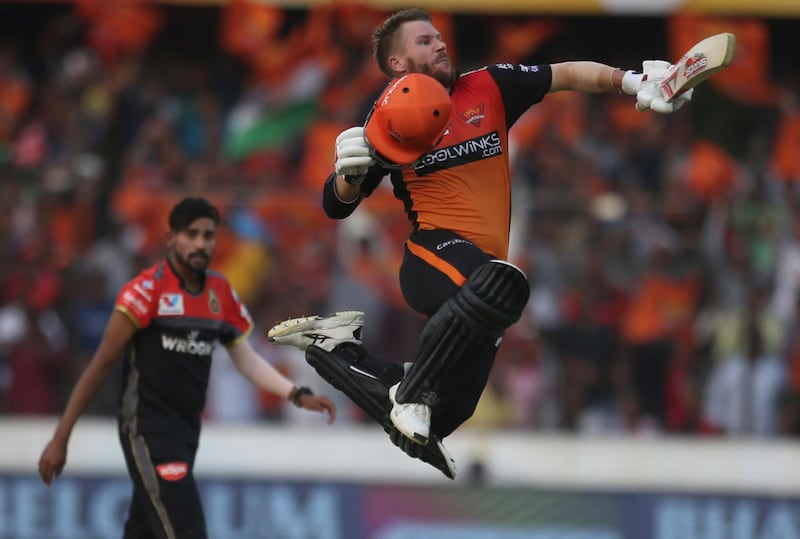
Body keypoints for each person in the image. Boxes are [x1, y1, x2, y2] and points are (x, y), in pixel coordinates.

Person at [268, 8, 692, 479]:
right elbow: (337, 205)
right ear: (398, 64)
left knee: (445, 418)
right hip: (432, 261)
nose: (440, 43)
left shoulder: (489, 86)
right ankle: (409, 393)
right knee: (495, 289)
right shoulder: (390, 117)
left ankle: (337, 350)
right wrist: (347, 177)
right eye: (425, 41)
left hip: (482, 285)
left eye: (438, 36)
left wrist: (632, 82)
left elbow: (568, 74)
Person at [38, 197, 336, 538]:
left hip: (185, 433)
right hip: (146, 431)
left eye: (207, 236)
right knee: (187, 528)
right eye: (191, 234)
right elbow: (101, 365)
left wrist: (295, 394)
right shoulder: (145, 292)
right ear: (171, 239)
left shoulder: (219, 292)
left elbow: (246, 360)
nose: (200, 243)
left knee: (145, 528)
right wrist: (61, 438)